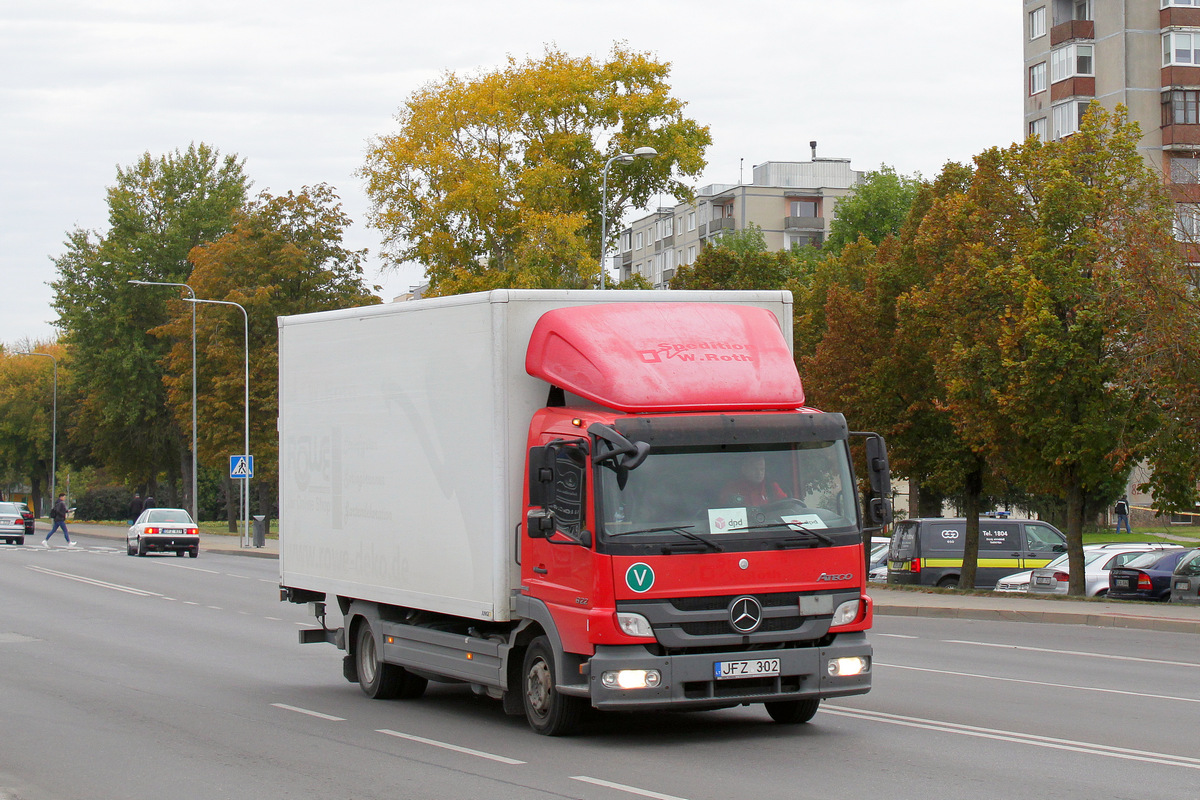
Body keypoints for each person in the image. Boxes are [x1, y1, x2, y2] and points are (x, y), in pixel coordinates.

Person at [721, 454, 787, 507]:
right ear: (744, 469)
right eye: (755, 469)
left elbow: (786, 507)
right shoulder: (732, 488)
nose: (759, 473)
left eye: (762, 469)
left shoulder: (771, 487)